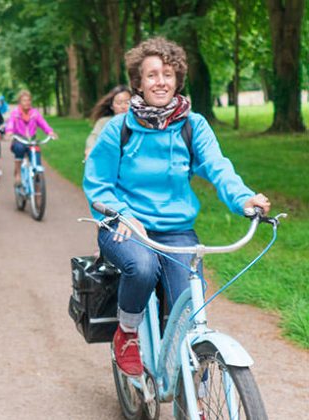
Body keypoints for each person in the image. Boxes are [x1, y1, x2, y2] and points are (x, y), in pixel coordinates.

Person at [83, 37, 271, 377]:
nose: (160, 82)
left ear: (178, 79)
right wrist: (119, 213)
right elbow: (98, 183)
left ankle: (191, 384)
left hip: (176, 229)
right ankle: (126, 333)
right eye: (152, 75)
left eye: (167, 74)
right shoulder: (119, 129)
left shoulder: (192, 125)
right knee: (142, 268)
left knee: (189, 305)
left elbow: (217, 166)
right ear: (138, 82)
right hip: (126, 224)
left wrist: (243, 198)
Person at [3, 90, 58, 186]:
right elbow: (10, 123)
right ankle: (18, 174)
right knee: (19, 149)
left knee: (36, 159)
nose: (27, 103)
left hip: (32, 141)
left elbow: (43, 123)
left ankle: (37, 184)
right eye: (24, 100)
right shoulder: (15, 113)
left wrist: (50, 132)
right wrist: (9, 132)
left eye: (29, 100)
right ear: (20, 102)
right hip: (19, 140)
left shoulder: (35, 113)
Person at [83, 85, 131, 161]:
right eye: (119, 103)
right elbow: (94, 136)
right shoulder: (104, 122)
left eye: (127, 102)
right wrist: (90, 149)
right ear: (112, 106)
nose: (123, 106)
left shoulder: (138, 122)